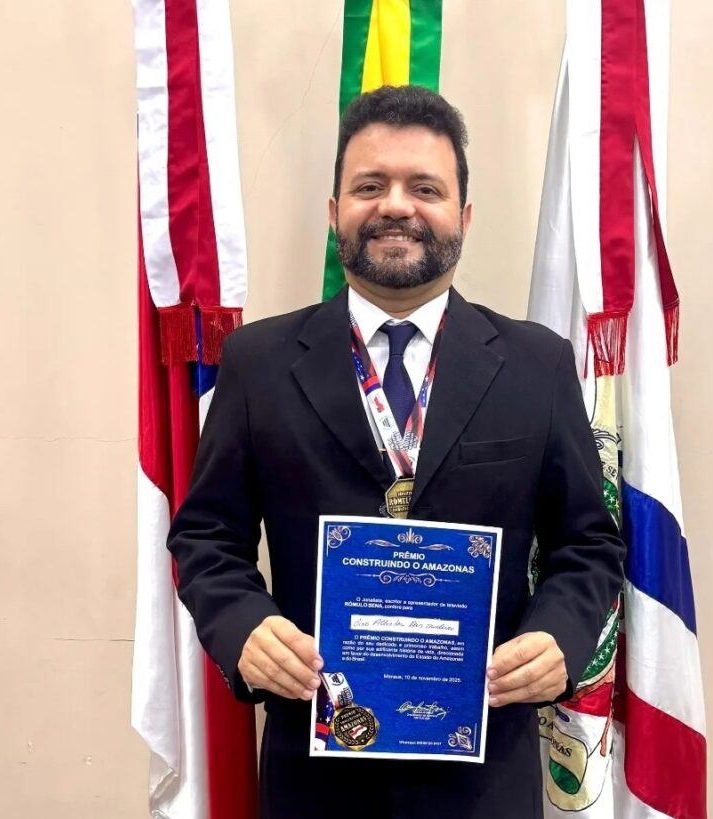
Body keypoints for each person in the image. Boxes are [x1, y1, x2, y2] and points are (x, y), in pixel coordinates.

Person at [168, 85, 625, 819]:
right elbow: (205, 536)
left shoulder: (538, 365)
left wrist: (560, 638)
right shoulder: (257, 362)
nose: (396, 206)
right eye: (369, 186)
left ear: (464, 217)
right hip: (313, 776)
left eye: (425, 188)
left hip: (484, 776)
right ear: (334, 211)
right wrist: (243, 625)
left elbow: (589, 543)